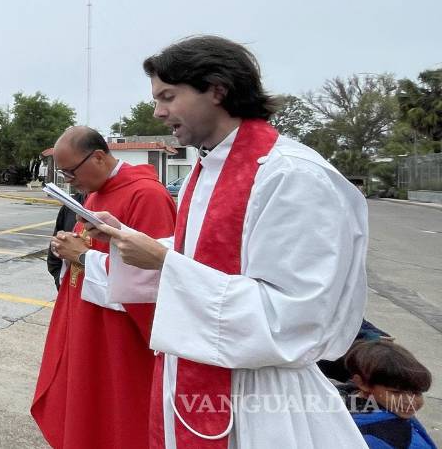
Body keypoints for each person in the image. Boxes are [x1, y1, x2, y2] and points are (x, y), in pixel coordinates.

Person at [95, 35, 369, 448]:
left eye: (168, 96)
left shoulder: (292, 176)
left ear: (217, 90)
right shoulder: (206, 169)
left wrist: (166, 263)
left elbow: (295, 316)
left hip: (262, 396)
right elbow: (211, 258)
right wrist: (133, 242)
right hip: (192, 372)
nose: (158, 112)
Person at [31, 127, 176, 448]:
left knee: (114, 425)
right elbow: (88, 254)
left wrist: (81, 257)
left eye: (71, 172)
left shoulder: (147, 196)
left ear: (97, 157)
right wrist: (66, 249)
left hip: (118, 342)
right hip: (86, 330)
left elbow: (152, 284)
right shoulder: (95, 193)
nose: (69, 180)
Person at [341, 341, 436, 449]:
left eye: (417, 393)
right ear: (362, 383)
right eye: (396, 392)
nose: (410, 401)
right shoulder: (381, 437)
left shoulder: (342, 400)